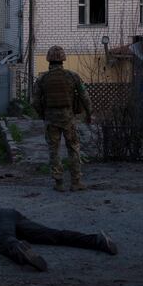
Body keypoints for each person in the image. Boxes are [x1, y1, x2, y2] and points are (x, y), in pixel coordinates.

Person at [33, 45, 93, 192]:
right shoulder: (72, 76)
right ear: (63, 60)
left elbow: (35, 102)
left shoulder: (42, 79)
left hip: (51, 119)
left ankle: (59, 182)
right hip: (68, 118)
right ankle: (76, 182)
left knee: (54, 150)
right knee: (73, 149)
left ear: (48, 60)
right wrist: (89, 114)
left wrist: (43, 115)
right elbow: (85, 97)